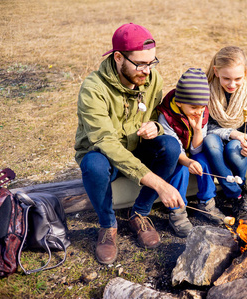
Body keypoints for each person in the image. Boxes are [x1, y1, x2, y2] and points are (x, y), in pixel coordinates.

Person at [74, 23, 185, 265]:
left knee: (171, 148)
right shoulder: (93, 89)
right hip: (103, 155)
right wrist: (159, 184)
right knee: (93, 165)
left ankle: (140, 213)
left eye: (152, 62)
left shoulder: (152, 78)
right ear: (118, 57)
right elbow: (105, 142)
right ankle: (107, 225)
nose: (147, 71)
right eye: (141, 64)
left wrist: (155, 126)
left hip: (137, 147)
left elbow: (156, 113)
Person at [157, 68, 226, 236]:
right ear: (179, 102)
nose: (199, 111)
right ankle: (177, 211)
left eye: (202, 107)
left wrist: (197, 130)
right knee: (179, 170)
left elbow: (196, 149)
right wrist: (188, 162)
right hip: (173, 156)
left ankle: (207, 202)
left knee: (203, 159)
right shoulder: (166, 116)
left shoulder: (201, 113)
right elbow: (175, 150)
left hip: (190, 154)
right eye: (194, 107)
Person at [202, 46, 247, 222]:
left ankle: (238, 190)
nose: (232, 84)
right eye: (226, 78)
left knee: (233, 150)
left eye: (238, 78)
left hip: (239, 147)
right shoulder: (207, 91)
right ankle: (238, 193)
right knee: (210, 143)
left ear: (246, 72)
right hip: (215, 143)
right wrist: (232, 133)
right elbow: (206, 128)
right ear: (216, 71)